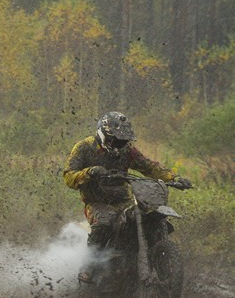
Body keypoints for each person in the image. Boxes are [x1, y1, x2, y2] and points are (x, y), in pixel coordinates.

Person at [63, 111, 192, 283]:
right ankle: (89, 267)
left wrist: (173, 178)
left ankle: (167, 275)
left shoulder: (127, 151)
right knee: (104, 223)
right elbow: (69, 177)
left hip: (124, 201)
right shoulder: (84, 147)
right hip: (96, 203)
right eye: (116, 140)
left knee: (150, 218)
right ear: (104, 134)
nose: (120, 144)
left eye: (123, 140)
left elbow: (149, 167)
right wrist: (90, 172)